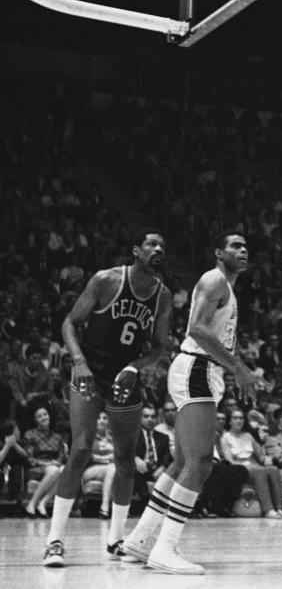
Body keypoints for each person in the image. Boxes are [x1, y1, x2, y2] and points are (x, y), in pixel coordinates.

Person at [121, 232, 263, 574]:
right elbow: (197, 330)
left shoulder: (225, 288)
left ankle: (141, 540)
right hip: (197, 368)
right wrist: (239, 367)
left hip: (201, 370)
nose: (243, 251)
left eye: (246, 247)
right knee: (200, 463)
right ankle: (165, 549)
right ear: (218, 253)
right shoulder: (214, 280)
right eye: (235, 246)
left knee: (183, 461)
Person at [42, 229, 172, 568]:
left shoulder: (162, 295)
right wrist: (79, 363)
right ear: (135, 251)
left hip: (125, 377)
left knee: (126, 459)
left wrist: (134, 367)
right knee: (81, 448)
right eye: (151, 245)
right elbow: (70, 324)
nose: (158, 249)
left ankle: (116, 539)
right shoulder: (106, 280)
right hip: (90, 372)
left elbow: (159, 347)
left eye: (162, 246)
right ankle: (54, 540)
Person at [221, 409, 282, 519]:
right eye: (235, 418)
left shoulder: (248, 436)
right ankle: (268, 510)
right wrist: (248, 465)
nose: (238, 421)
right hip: (239, 467)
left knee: (273, 469)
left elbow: (261, 457)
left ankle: (279, 509)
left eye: (241, 418)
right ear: (230, 421)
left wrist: (272, 459)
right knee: (259, 470)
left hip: (254, 464)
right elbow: (229, 460)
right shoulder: (225, 437)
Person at [133, 405, 172, 504]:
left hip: (157, 469)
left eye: (153, 416)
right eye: (146, 416)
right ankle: (146, 502)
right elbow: (127, 451)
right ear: (140, 418)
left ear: (157, 418)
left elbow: (167, 456)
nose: (150, 419)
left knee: (172, 472)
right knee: (137, 470)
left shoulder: (163, 437)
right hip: (141, 469)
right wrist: (136, 459)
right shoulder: (133, 435)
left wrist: (163, 467)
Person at [82, 412, 117, 520]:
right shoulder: (87, 436)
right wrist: (106, 458)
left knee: (113, 469)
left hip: (109, 469)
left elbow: (120, 456)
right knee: (113, 468)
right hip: (89, 470)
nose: (101, 420)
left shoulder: (113, 438)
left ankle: (105, 508)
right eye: (98, 418)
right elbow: (87, 457)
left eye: (105, 418)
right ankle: (107, 505)